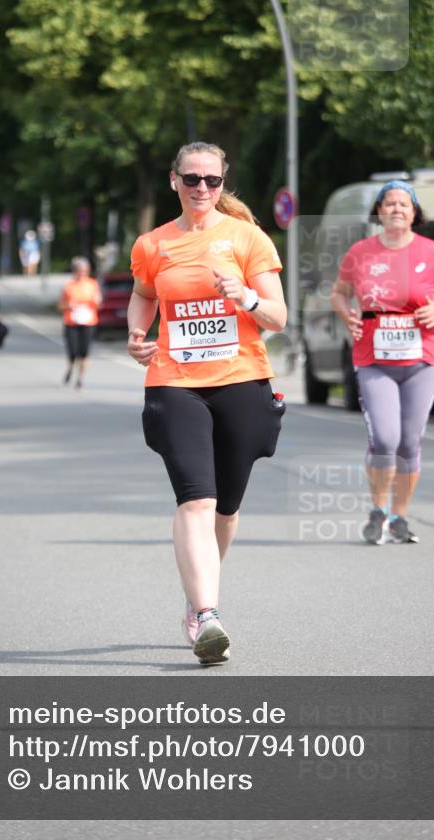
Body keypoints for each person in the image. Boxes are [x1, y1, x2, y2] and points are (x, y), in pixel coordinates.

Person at [127, 142, 287, 665]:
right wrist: (135, 333)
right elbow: (145, 294)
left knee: (226, 506)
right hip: (174, 383)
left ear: (223, 183)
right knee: (195, 498)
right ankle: (208, 613)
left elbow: (278, 318)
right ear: (173, 180)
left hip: (241, 378)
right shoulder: (153, 244)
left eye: (211, 180)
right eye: (191, 179)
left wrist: (245, 297)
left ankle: (197, 594)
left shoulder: (247, 239)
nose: (201, 188)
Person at [331, 180, 434, 545]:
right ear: (378, 211)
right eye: (389, 203)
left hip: (421, 356)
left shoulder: (432, 252)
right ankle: (378, 510)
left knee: (409, 442)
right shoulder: (360, 252)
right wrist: (347, 315)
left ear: (414, 213)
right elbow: (339, 293)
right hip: (373, 357)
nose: (396, 209)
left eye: (403, 204)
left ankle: (400, 517)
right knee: (385, 438)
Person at [58, 257, 102, 388]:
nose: (82, 274)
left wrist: (96, 301)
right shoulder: (68, 286)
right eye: (79, 271)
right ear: (74, 271)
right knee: (72, 351)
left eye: (84, 271)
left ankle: (80, 378)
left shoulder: (93, 284)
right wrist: (68, 305)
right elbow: (60, 305)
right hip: (71, 322)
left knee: (84, 352)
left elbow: (98, 303)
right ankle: (71, 367)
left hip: (88, 322)